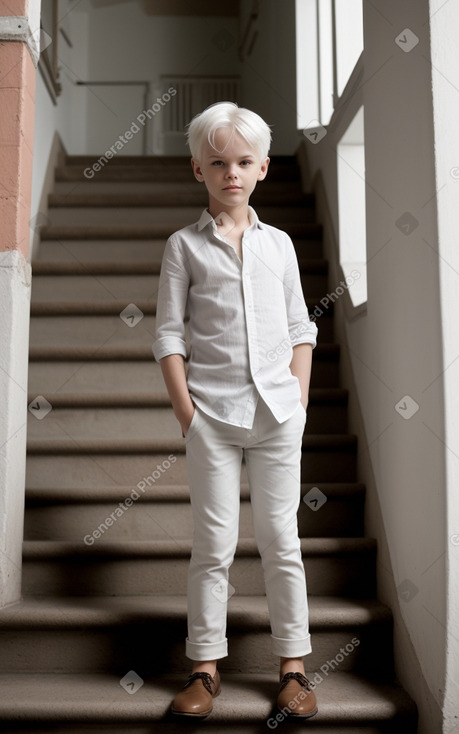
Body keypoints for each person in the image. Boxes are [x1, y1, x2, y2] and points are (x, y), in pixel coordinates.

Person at [152, 101, 318, 720]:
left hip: (278, 415)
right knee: (214, 543)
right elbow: (169, 334)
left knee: (281, 539)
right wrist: (187, 412)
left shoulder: (279, 246)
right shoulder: (184, 247)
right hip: (213, 419)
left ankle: (294, 670)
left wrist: (297, 397)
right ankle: (204, 669)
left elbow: (303, 326)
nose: (231, 173)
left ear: (263, 169)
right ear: (198, 169)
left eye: (243, 162)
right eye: (218, 162)